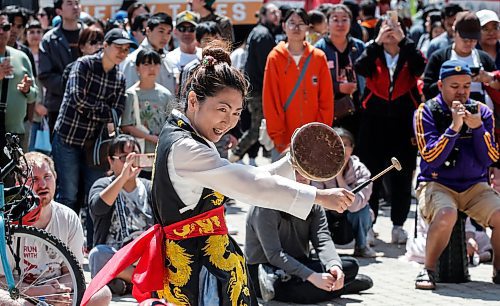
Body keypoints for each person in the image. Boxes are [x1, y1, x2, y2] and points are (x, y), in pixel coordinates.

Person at [81, 42, 355, 306]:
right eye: (222, 109)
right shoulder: (186, 147)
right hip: (199, 272)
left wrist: (293, 163)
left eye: (236, 113)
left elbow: (242, 177)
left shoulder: (185, 133)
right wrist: (318, 195)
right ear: (192, 100)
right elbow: (248, 184)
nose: (229, 120)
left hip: (205, 266)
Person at [413, 59, 500, 289]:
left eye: (466, 86)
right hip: (437, 183)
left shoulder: (482, 111)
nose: (461, 92)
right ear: (440, 85)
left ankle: (498, 270)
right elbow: (431, 158)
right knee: (446, 214)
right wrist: (453, 128)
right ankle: (428, 270)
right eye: (454, 86)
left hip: (474, 186)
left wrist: (477, 128)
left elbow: (490, 157)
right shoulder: (426, 112)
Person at [245, 169, 373, 303]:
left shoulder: (314, 203)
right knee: (304, 293)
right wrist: (312, 276)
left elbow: (323, 239)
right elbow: (274, 254)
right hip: (266, 271)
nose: (302, 178)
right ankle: (344, 287)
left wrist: (334, 266)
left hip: (299, 263)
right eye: (296, 172)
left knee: (350, 265)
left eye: (306, 173)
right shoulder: (265, 205)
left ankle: (333, 284)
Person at [0, 152, 110, 306]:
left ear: (56, 177)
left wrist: (59, 291)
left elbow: (72, 272)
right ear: (19, 184)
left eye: (47, 177)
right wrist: (40, 293)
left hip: (57, 292)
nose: (43, 185)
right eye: (34, 180)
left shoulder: (68, 217)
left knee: (102, 293)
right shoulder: (7, 221)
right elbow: (2, 280)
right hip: (21, 295)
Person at [354, 15, 426, 245]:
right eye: (386, 27)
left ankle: (398, 224)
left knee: (402, 174)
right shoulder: (372, 51)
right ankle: (369, 224)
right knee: (371, 172)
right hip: (373, 120)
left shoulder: (410, 50)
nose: (391, 32)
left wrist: (404, 41)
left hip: (403, 120)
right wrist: (377, 42)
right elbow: (360, 67)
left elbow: (420, 67)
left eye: (395, 28)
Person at [52, 28, 136, 213]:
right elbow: (77, 100)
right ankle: (62, 240)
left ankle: (93, 241)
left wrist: (99, 110)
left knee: (95, 194)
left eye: (126, 49)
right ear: (105, 45)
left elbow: (117, 111)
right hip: (68, 138)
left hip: (96, 146)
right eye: (118, 47)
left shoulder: (119, 78)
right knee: (68, 195)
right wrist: (105, 111)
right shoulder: (83, 65)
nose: (123, 53)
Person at [263, 7, 333, 158]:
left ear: (308, 27)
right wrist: (279, 138)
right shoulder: (274, 57)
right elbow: (270, 100)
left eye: (301, 23)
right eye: (291, 22)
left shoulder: (318, 57)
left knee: (310, 181)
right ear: (283, 26)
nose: (296, 27)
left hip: (313, 139)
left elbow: (326, 99)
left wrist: (319, 132)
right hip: (283, 140)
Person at [88, 134, 154, 296]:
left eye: (134, 157)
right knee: (98, 254)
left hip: (144, 256)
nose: (130, 163)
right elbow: (98, 208)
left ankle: (126, 284)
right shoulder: (103, 184)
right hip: (116, 256)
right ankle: (142, 282)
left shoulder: (149, 187)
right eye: (124, 158)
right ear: (111, 161)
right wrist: (123, 177)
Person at [312, 127, 375, 258]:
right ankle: (318, 248)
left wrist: (340, 178)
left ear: (352, 148)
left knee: (363, 211)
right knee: (313, 209)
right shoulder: (319, 168)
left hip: (351, 214)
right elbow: (315, 197)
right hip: (328, 214)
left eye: (346, 145)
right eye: (337, 144)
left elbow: (357, 204)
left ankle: (362, 246)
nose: (342, 149)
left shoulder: (361, 170)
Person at [230, 3, 281, 162]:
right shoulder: (263, 35)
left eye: (278, 12)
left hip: (256, 88)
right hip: (260, 90)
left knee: (259, 127)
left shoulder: (259, 32)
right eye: (272, 12)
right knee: (257, 129)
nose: (277, 15)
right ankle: (234, 156)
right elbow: (266, 67)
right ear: (263, 15)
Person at [423, 12, 496, 106]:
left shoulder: (484, 59)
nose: (469, 44)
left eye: (473, 40)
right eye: (465, 40)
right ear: (454, 32)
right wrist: (447, 82)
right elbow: (427, 90)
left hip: (479, 113)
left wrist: (489, 78)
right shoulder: (439, 58)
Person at [315, 4, 365, 137]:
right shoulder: (319, 49)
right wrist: (338, 88)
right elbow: (314, 81)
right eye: (335, 19)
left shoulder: (359, 46)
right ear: (327, 23)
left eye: (344, 19)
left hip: (357, 108)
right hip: (329, 110)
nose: (340, 24)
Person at [38, 0, 84, 134]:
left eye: (77, 2)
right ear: (59, 11)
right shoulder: (49, 40)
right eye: (69, 3)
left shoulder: (91, 34)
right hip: (59, 107)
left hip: (89, 107)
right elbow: (45, 75)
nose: (75, 7)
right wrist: (72, 87)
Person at [0, 13, 38, 173]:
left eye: (6, 27)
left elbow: (34, 95)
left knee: (16, 181)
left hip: (15, 133)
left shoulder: (21, 56)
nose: (2, 31)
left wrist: (27, 89)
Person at [121, 49, 175, 156]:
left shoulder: (166, 94)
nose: (152, 68)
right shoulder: (130, 94)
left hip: (161, 152)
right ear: (137, 68)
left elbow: (172, 123)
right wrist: (151, 138)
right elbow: (125, 125)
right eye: (146, 64)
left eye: (156, 64)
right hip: (137, 152)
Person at [121, 13, 176, 94]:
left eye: (168, 33)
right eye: (161, 31)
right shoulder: (133, 60)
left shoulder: (169, 59)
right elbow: (129, 94)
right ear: (148, 31)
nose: (165, 37)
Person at [166, 10, 202, 94]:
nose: (186, 33)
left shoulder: (204, 55)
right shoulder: (169, 58)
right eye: (182, 29)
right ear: (175, 31)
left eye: (191, 29)